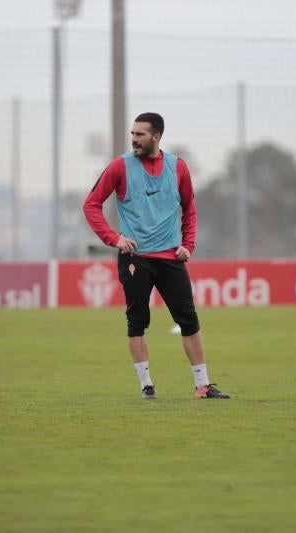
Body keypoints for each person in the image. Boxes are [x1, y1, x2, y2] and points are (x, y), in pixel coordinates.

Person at [83, 112, 229, 400]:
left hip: (171, 258)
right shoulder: (120, 166)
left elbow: (190, 208)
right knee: (137, 321)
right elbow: (91, 205)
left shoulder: (177, 167)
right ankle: (146, 386)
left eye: (140, 134)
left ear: (157, 136)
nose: (133, 139)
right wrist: (115, 239)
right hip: (135, 257)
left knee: (189, 319)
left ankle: (203, 386)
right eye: (132, 134)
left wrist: (188, 244)